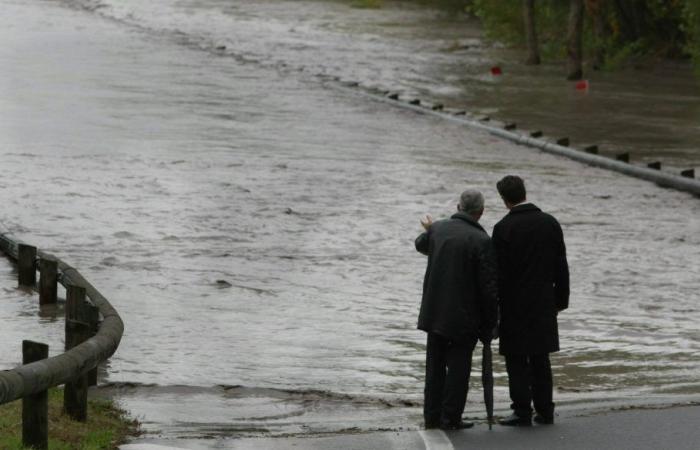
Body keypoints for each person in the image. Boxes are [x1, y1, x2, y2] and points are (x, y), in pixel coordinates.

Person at [415, 189, 498, 430]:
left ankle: (431, 417)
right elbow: (488, 288)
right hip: (465, 317)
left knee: (435, 367)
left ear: (458, 207)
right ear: (481, 212)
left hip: (434, 312)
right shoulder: (482, 240)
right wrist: (490, 323)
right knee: (459, 369)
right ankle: (450, 417)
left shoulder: (438, 229)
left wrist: (429, 229)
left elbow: (421, 245)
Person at [492, 175, 569, 426]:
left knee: (516, 359)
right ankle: (545, 409)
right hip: (544, 302)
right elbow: (561, 266)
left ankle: (521, 410)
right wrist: (560, 300)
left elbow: (498, 273)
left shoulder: (503, 228)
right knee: (540, 357)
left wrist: (495, 307)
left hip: (513, 304)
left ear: (504, 199)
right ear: (525, 192)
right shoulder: (550, 223)